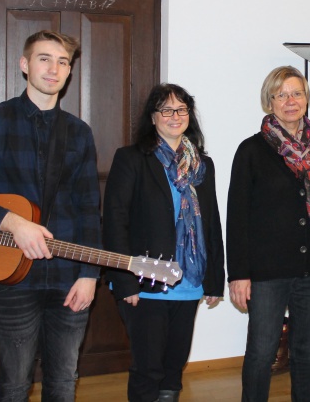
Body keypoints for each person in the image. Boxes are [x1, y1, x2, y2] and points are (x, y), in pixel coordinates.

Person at [0, 30, 100, 401]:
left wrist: (89, 274)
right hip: (11, 276)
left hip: (68, 277)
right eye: (44, 59)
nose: (54, 69)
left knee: (63, 382)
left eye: (63, 62)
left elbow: (89, 208)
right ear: (24, 65)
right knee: (13, 385)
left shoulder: (79, 133)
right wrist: (12, 222)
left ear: (69, 72)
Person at [103, 83, 225, 402]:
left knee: (174, 364)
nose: (175, 116)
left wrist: (215, 280)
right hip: (144, 281)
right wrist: (125, 280)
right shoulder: (131, 159)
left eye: (181, 109)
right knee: (148, 367)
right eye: (166, 110)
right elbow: (115, 220)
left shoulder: (202, 165)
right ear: (153, 117)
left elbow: (211, 223)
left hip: (190, 281)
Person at [227, 66, 310, 402]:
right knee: (261, 353)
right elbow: (237, 216)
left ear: (306, 99)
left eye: (297, 93)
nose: (291, 101)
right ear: (269, 102)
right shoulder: (251, 151)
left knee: (305, 351)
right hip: (267, 272)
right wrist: (238, 274)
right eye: (281, 94)